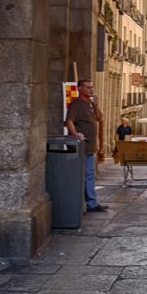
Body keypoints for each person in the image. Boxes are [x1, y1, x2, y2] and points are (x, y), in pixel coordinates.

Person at [65, 78, 108, 212]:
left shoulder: (90, 103)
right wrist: (75, 133)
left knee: (89, 174)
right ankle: (87, 203)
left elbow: (100, 118)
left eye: (92, 87)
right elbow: (69, 121)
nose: (91, 89)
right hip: (82, 145)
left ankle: (91, 203)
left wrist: (95, 105)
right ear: (80, 89)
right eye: (88, 87)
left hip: (91, 146)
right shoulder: (76, 104)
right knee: (83, 174)